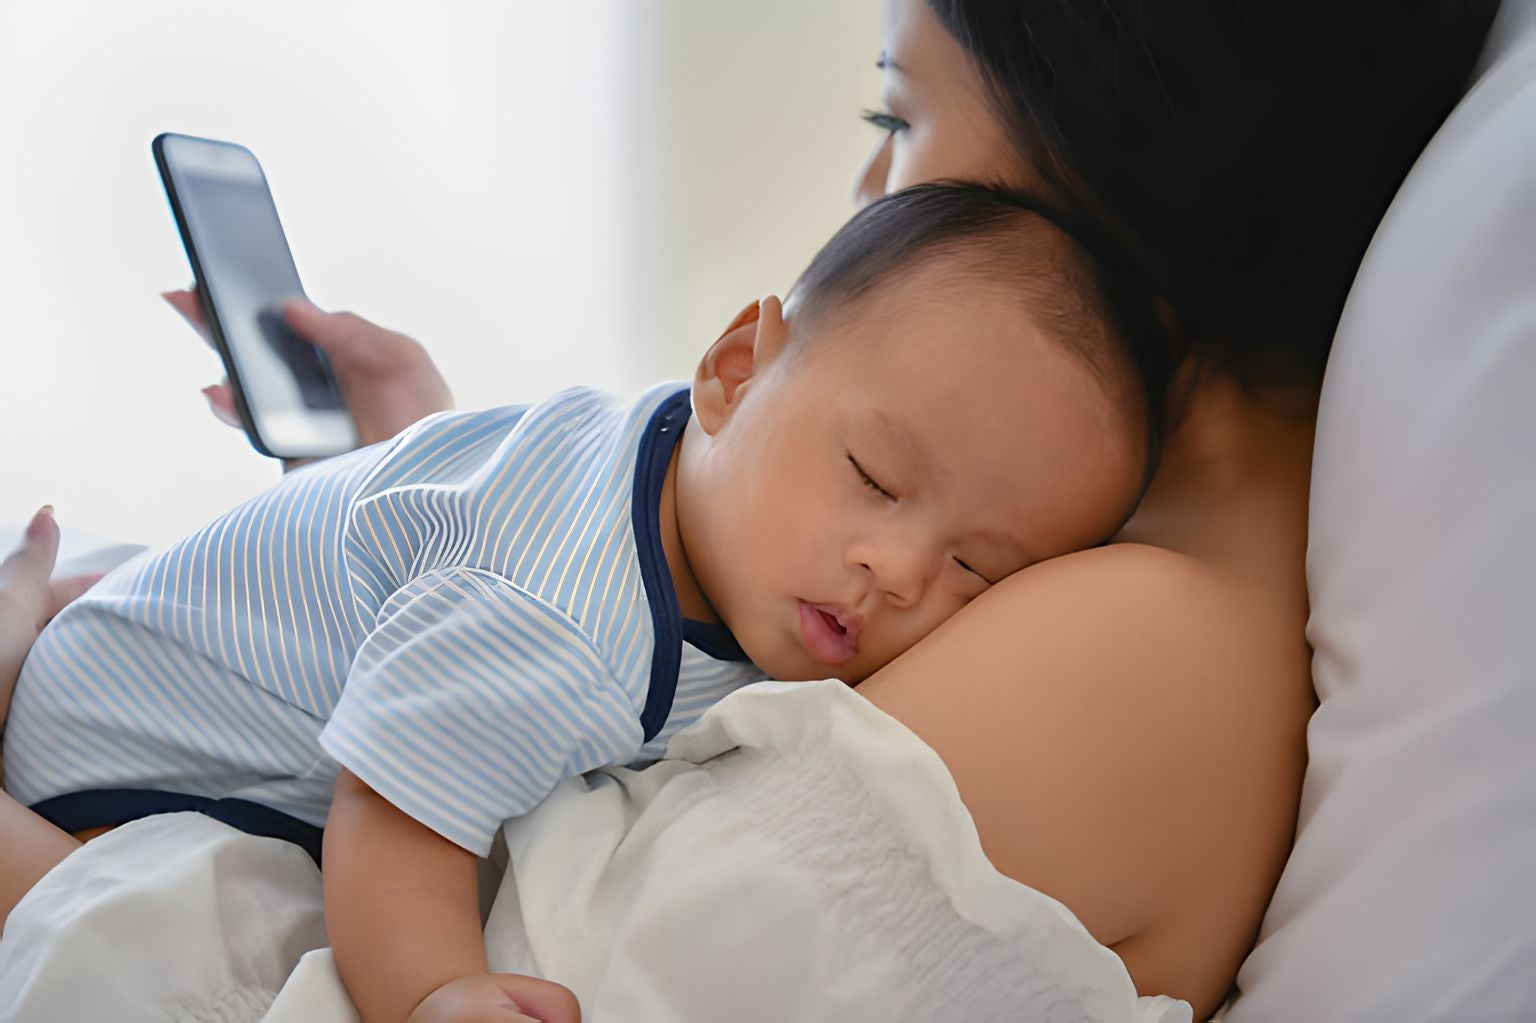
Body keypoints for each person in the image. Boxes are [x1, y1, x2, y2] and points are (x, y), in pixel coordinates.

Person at [0, 0, 1496, 1019]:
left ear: (1109, 125)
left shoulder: (1125, 655)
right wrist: (463, 496)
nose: (868, 189)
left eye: (897, 115)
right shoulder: (1128, 567)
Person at [2, 184, 1167, 1022]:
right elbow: (396, 820)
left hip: (130, 656)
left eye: (979, 569)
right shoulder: (567, 625)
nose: (902, 572)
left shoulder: (681, 473)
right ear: (735, 369)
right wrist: (437, 992)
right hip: (123, 768)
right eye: (874, 479)